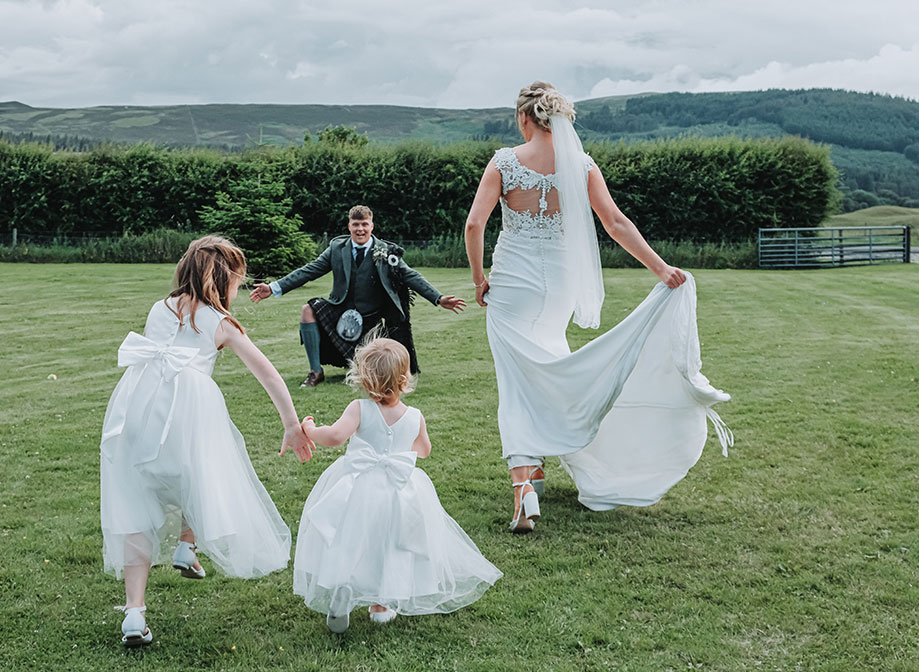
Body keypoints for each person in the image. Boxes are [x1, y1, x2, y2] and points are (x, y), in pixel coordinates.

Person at [464, 81, 732, 533]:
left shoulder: (505, 161)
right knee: (550, 367)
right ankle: (541, 467)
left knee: (516, 383)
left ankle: (522, 488)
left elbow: (474, 224)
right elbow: (614, 222)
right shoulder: (582, 164)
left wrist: (477, 279)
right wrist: (660, 268)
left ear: (524, 118)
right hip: (559, 290)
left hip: (513, 287)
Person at [99, 236, 314, 646]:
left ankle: (134, 612)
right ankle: (186, 543)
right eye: (239, 283)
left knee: (138, 500)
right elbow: (268, 373)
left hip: (139, 409)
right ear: (223, 281)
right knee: (208, 469)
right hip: (189, 409)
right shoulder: (220, 323)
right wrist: (290, 424)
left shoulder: (158, 309)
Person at [292, 336, 502, 633]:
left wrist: (311, 428)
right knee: (394, 544)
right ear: (405, 380)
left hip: (359, 486)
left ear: (364, 379)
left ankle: (344, 586)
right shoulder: (415, 417)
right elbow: (425, 450)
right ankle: (381, 605)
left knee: (352, 538)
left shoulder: (359, 409)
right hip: (401, 491)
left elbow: (335, 437)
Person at [249, 205, 466, 387]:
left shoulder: (386, 252)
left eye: (364, 225)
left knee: (372, 371)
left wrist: (438, 298)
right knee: (307, 310)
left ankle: (360, 361)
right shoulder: (336, 248)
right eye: (356, 224)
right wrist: (274, 287)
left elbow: (410, 275)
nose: (360, 229)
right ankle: (316, 372)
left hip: (371, 318)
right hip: (339, 308)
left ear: (372, 226)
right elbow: (309, 270)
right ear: (349, 226)